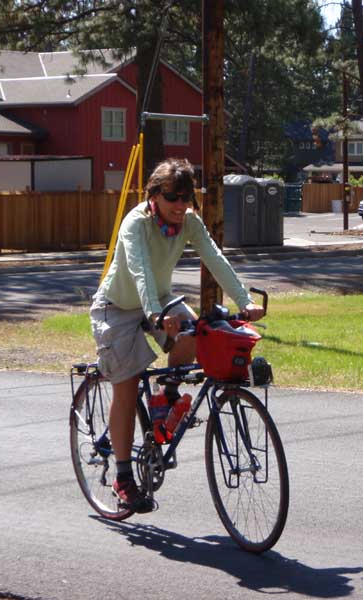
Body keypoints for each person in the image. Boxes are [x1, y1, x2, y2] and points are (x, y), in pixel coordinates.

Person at [89, 157, 264, 513]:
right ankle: (123, 478)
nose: (181, 205)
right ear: (154, 194)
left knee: (197, 332)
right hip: (119, 307)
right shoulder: (136, 223)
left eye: (187, 198)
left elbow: (215, 259)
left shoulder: (188, 222)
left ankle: (164, 398)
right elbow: (139, 272)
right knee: (126, 382)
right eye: (173, 197)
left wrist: (245, 301)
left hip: (160, 300)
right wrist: (154, 311)